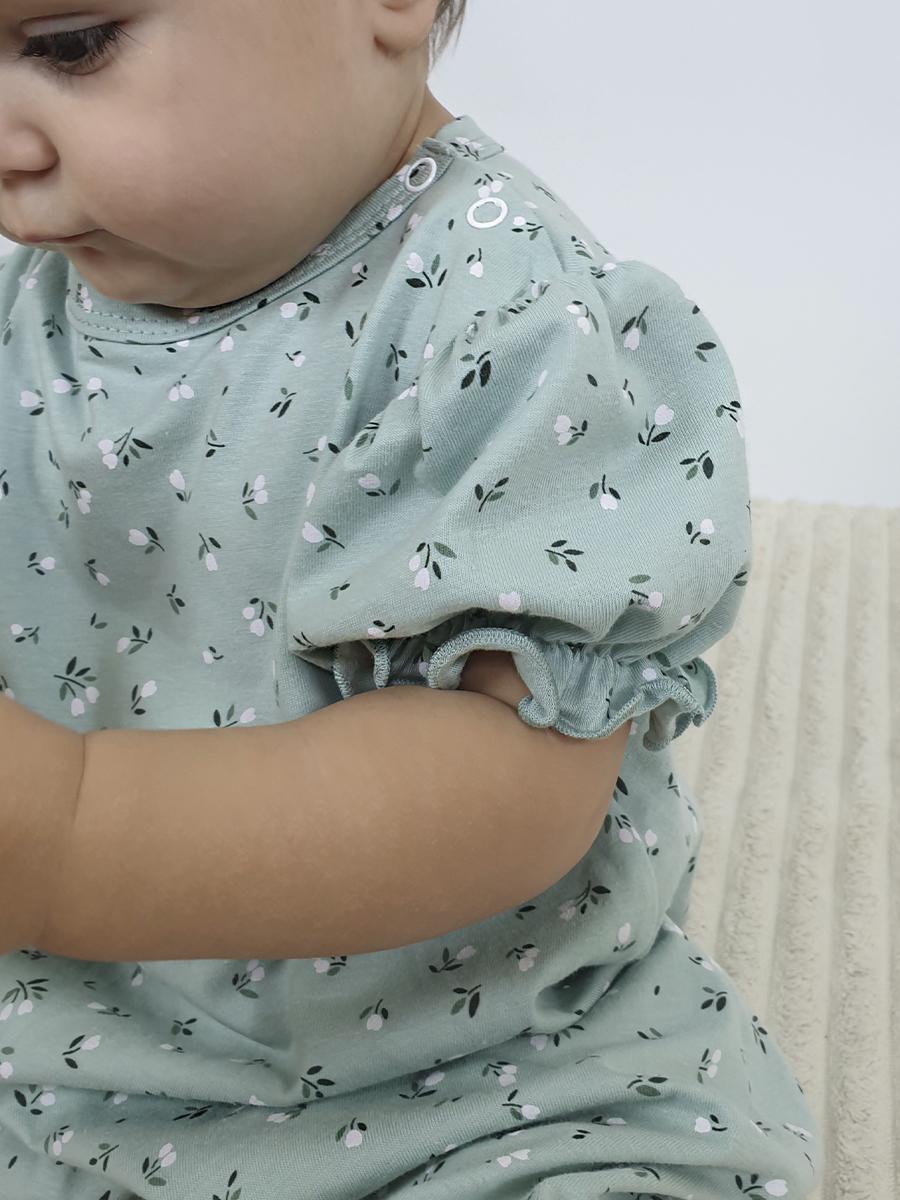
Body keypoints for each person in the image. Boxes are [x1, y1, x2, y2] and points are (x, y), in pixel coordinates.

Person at [0, 1, 822, 1197]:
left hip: (476, 1085)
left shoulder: (509, 324)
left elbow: (510, 789)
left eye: (70, 46)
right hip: (67, 1060)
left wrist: (66, 836)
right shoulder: (35, 312)